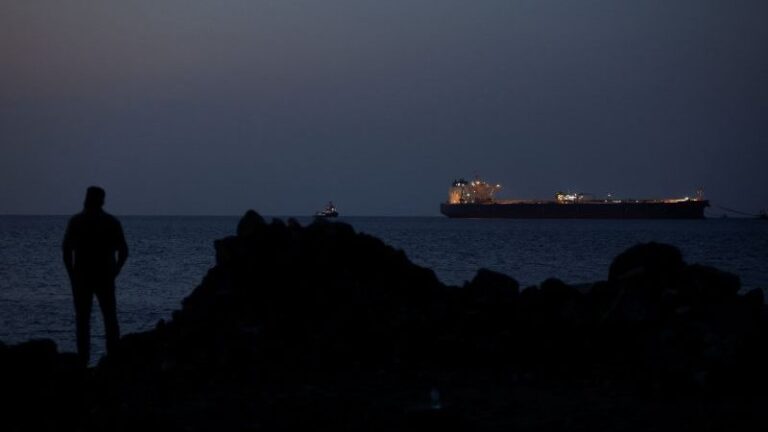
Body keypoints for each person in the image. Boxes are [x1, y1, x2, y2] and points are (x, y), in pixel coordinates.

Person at [62, 186, 128, 366]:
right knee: (109, 318)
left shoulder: (76, 222)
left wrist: (72, 274)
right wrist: (115, 271)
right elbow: (123, 251)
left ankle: (83, 361)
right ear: (102, 200)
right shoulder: (111, 222)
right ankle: (113, 359)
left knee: (83, 320)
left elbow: (66, 251)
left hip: (83, 277)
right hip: (104, 276)